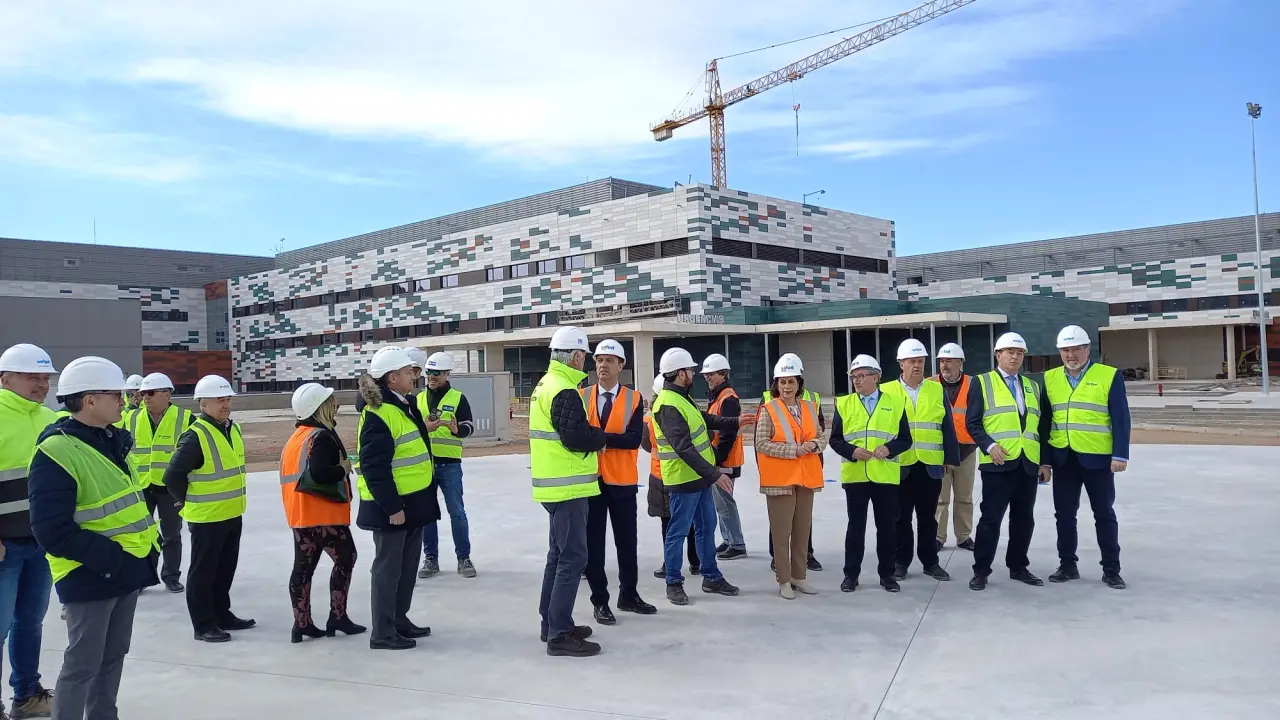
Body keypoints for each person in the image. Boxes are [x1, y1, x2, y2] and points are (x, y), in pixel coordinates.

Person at [27, 357, 158, 720]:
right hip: (89, 572)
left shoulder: (112, 439)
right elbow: (51, 529)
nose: (124, 401)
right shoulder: (57, 450)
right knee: (83, 663)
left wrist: (147, 549)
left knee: (114, 655)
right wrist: (111, 559)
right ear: (89, 400)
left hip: (126, 567)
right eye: (116, 395)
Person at [652, 348, 752, 606]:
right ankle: (673, 582)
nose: (694, 374)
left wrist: (735, 422)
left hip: (700, 479)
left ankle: (711, 576)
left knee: (707, 527)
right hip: (683, 480)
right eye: (690, 370)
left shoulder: (682, 397)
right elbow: (683, 448)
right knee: (678, 532)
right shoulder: (667, 404)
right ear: (679, 373)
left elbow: (705, 419)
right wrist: (715, 474)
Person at [529, 327, 605, 657]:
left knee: (558, 556)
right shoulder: (563, 389)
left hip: (555, 486)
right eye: (585, 356)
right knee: (572, 558)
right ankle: (559, 634)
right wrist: (600, 437)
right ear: (575, 356)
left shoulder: (546, 385)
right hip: (568, 487)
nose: (586, 362)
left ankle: (552, 623)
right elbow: (575, 438)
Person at [356, 347, 438, 650]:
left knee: (406, 567)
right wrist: (392, 507)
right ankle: (383, 631)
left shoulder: (405, 405)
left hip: (413, 503)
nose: (413, 376)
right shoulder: (379, 414)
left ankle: (398, 619)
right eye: (408, 372)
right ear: (392, 378)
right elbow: (374, 467)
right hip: (393, 508)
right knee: (388, 570)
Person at [164, 375, 254, 642]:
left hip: (231, 512)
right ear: (203, 404)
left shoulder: (232, 429)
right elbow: (172, 476)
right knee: (203, 573)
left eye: (227, 399)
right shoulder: (196, 435)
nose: (226, 404)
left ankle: (222, 615)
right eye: (219, 400)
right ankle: (203, 625)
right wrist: (184, 500)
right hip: (207, 517)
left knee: (224, 569)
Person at [1041, 325, 1130, 590]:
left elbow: (1120, 418)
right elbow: (1045, 422)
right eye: (1066, 350)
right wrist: (1045, 461)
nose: (1071, 355)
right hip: (1063, 458)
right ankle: (1067, 565)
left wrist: (1120, 455)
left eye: (1076, 349)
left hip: (1098, 459)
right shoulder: (1049, 378)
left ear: (1088, 349)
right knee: (1064, 515)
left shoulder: (1108, 375)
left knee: (1104, 514)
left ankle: (1111, 570)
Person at [0, 343, 59, 718]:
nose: (41, 384)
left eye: (45, 378)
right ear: (5, 380)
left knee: (30, 623)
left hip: (40, 543)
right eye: (31, 377)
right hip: (5, 547)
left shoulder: (49, 418)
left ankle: (27, 695)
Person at [965, 332, 1050, 591]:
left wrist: (1044, 462)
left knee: (1024, 519)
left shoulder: (1032, 386)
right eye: (1010, 352)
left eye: (1019, 353)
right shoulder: (982, 382)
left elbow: (1041, 427)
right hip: (998, 464)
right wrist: (989, 446)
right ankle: (981, 570)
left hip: (1028, 463)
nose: (1015, 357)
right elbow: (972, 422)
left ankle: (1018, 566)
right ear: (997, 355)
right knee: (991, 519)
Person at [282, 383, 366, 643]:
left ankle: (302, 624)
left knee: (303, 568)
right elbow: (319, 472)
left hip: (301, 514)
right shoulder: (322, 436)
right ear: (320, 408)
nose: (336, 405)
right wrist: (343, 469)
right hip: (324, 514)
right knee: (346, 558)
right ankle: (337, 617)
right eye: (331, 402)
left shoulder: (296, 438)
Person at [580, 340, 656, 625]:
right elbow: (578, 435)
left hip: (622, 481)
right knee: (594, 545)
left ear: (621, 365)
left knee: (627, 542)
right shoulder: (582, 395)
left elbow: (633, 439)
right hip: (591, 481)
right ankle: (600, 601)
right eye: (599, 360)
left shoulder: (634, 399)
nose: (603, 365)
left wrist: (599, 440)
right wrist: (608, 440)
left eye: (610, 360)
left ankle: (629, 594)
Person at [830, 355, 914, 593]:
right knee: (855, 529)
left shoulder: (896, 403)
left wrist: (889, 448)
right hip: (855, 476)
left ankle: (887, 575)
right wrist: (852, 451)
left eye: (861, 376)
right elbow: (835, 440)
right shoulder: (844, 404)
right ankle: (851, 575)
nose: (856, 381)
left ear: (875, 378)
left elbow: (905, 439)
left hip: (885, 476)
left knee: (887, 529)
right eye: (853, 377)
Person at [882, 339, 959, 583]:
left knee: (928, 517)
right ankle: (900, 562)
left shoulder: (936, 390)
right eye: (912, 361)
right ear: (901, 364)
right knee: (900, 518)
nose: (917, 365)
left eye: (920, 361)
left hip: (930, 464)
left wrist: (950, 458)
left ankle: (930, 562)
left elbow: (947, 426)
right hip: (899, 464)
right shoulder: (886, 391)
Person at [754, 355, 827, 600]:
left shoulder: (809, 407)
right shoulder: (769, 409)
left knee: (801, 531)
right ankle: (784, 580)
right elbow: (761, 443)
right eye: (783, 382)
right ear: (776, 384)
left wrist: (814, 445)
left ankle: (799, 576)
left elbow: (821, 435)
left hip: (806, 479)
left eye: (791, 381)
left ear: (799, 383)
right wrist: (794, 450)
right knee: (781, 533)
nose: (787, 386)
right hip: (780, 481)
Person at [128, 372, 192, 593]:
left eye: (151, 393)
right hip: (141, 486)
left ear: (167, 394)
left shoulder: (185, 418)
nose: (145, 397)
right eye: (143, 393)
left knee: (171, 534)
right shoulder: (132, 418)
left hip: (170, 488)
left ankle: (171, 576)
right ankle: (143, 578)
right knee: (142, 534)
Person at [416, 351, 477, 580]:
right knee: (427, 514)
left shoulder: (458, 398)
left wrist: (456, 430)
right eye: (429, 372)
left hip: (450, 465)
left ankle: (464, 558)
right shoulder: (417, 399)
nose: (431, 376)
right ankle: (430, 559)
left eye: (437, 373)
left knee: (457, 512)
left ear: (446, 374)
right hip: (425, 464)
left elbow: (469, 427)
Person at [642, 375, 700, 579]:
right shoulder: (685, 408)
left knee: (668, 524)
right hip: (685, 473)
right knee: (690, 520)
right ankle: (696, 561)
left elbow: (646, 444)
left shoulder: (649, 418)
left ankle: (669, 564)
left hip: (660, 476)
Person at [701, 354, 747, 561]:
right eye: (706, 375)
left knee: (725, 502)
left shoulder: (727, 399)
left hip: (725, 460)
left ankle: (736, 544)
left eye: (711, 374)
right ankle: (729, 539)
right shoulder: (719, 397)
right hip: (721, 458)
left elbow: (728, 434)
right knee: (720, 502)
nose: (708, 378)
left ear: (723, 374)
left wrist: (718, 459)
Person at [934, 343, 978, 552]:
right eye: (942, 361)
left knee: (964, 497)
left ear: (960, 363)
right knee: (940, 499)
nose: (945, 365)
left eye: (949, 361)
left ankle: (963, 536)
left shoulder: (973, 384)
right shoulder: (930, 384)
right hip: (939, 452)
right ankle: (938, 537)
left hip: (966, 450)